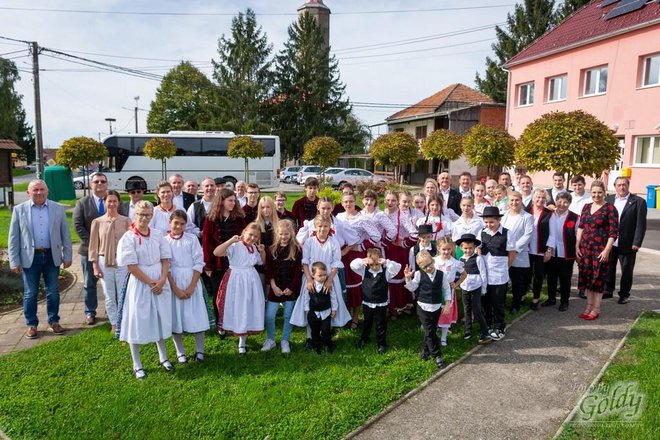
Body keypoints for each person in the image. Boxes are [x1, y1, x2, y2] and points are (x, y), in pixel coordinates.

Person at [116, 201, 173, 379]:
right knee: (137, 318)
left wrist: (162, 279)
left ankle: (163, 356)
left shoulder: (157, 235)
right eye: (141, 214)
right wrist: (150, 282)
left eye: (148, 215)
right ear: (135, 215)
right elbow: (131, 265)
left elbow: (165, 259)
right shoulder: (129, 237)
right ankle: (137, 363)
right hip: (141, 282)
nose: (144, 218)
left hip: (159, 278)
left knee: (160, 317)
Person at [9, 179, 72, 339]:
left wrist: (68, 255)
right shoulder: (19, 210)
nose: (39, 193)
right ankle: (31, 324)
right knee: (30, 293)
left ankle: (54, 321)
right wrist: (14, 260)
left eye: (42, 189)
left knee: (53, 291)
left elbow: (65, 233)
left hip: (52, 256)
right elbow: (13, 237)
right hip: (30, 258)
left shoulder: (57, 208)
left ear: (47, 191)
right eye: (35, 190)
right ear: (28, 193)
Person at [290, 215, 351, 348]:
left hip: (329, 278)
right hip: (311, 277)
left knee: (328, 305)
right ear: (315, 227)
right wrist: (309, 279)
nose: (322, 229)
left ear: (330, 227)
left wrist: (329, 280)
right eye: (320, 226)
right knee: (311, 306)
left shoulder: (333, 242)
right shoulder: (310, 242)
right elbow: (305, 262)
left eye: (325, 226)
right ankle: (310, 338)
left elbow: (336, 262)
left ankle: (326, 336)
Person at [213, 223, 266, 354]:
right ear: (244, 232)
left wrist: (262, 251)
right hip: (235, 279)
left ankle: (242, 342)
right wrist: (231, 240)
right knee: (233, 306)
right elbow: (217, 252)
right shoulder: (235, 246)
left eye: (256, 236)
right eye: (250, 235)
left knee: (247, 308)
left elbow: (262, 262)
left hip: (251, 280)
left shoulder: (254, 248)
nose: (252, 238)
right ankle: (227, 326)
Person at [166, 210, 211, 364]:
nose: (178, 226)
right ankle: (180, 352)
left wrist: (192, 286)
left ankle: (200, 350)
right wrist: (175, 288)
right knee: (176, 318)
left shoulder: (191, 239)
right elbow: (166, 267)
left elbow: (199, 262)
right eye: (176, 222)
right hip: (174, 282)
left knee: (196, 315)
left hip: (192, 278)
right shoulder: (164, 241)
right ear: (170, 222)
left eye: (182, 223)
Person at [202, 188, 246, 335]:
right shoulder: (211, 219)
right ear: (221, 201)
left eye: (234, 201)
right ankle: (220, 324)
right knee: (218, 295)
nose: (233, 203)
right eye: (230, 200)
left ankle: (234, 323)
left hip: (235, 264)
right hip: (218, 264)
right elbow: (206, 243)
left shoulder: (239, 218)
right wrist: (208, 265)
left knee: (235, 294)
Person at [336, 193, 381, 328]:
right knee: (345, 284)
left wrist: (361, 246)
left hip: (356, 254)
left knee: (356, 286)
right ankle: (345, 315)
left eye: (350, 201)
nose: (348, 204)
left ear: (355, 202)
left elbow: (376, 235)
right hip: (343, 254)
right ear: (342, 203)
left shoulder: (362, 219)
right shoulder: (339, 217)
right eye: (345, 202)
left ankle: (355, 317)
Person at [89, 190, 131, 333]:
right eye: (109, 201)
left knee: (122, 293)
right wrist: (95, 266)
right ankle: (114, 322)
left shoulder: (126, 221)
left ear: (119, 203)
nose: (112, 204)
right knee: (109, 294)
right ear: (104, 202)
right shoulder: (97, 222)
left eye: (115, 201)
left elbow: (130, 244)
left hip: (122, 261)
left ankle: (123, 320)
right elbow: (93, 245)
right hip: (104, 261)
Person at [577, 181, 619, 320]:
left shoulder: (610, 209)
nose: (596, 195)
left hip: (600, 250)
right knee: (587, 279)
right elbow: (581, 227)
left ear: (604, 192)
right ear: (590, 192)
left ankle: (596, 309)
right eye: (594, 192)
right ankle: (588, 306)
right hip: (586, 250)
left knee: (598, 279)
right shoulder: (586, 207)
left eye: (599, 192)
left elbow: (613, 233)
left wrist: (607, 250)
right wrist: (577, 245)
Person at [404, 250, 451, 369]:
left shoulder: (441, 275)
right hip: (422, 307)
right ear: (420, 267)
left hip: (436, 307)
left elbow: (446, 289)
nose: (428, 268)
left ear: (433, 261)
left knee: (431, 330)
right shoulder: (419, 275)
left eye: (429, 264)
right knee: (430, 331)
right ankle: (437, 355)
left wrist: (447, 304)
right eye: (424, 267)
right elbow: (412, 288)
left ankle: (425, 351)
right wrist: (408, 279)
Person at [350, 248, 402, 354]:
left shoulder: (386, 272)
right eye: (372, 265)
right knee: (367, 322)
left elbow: (398, 267)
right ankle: (364, 338)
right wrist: (363, 260)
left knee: (380, 323)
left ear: (380, 261)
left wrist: (386, 261)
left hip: (381, 303)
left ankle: (381, 343)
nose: (374, 267)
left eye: (376, 264)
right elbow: (352, 265)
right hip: (367, 302)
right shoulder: (364, 270)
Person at [73, 172, 108, 325]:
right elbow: (78, 225)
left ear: (107, 184)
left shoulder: (113, 201)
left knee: (111, 282)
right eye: (96, 182)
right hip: (88, 250)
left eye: (102, 181)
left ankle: (111, 309)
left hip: (109, 250)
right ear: (91, 184)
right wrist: (93, 243)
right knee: (89, 283)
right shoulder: (82, 203)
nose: (99, 184)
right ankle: (90, 312)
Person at [604, 177, 647, 304]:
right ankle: (608, 290)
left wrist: (637, 242)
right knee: (609, 268)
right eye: (619, 185)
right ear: (615, 186)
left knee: (626, 270)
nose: (621, 187)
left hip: (627, 243)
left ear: (628, 186)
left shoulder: (638, 202)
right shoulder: (609, 199)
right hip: (610, 242)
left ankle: (624, 294)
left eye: (624, 185)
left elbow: (641, 224)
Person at [263, 219, 302, 354]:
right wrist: (273, 286)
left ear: (291, 234)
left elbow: (297, 272)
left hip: (290, 288)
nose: (283, 237)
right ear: (276, 234)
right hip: (276, 288)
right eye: (281, 234)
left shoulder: (296, 250)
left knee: (287, 315)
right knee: (269, 315)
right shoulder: (271, 250)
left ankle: (285, 339)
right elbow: (269, 270)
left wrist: (291, 287)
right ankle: (271, 339)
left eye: (286, 234)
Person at [479, 206, 517, 341]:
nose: (489, 225)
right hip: (485, 275)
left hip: (499, 275)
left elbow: (512, 253)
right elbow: (478, 250)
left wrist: (506, 267)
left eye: (492, 222)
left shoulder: (507, 233)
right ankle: (488, 324)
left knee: (498, 302)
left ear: (499, 220)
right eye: (486, 222)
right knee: (486, 301)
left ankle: (500, 326)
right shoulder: (482, 232)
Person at [383, 190, 417, 318]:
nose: (390, 202)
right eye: (388, 200)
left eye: (393, 200)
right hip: (385, 249)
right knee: (387, 277)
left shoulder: (401, 216)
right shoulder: (381, 214)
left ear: (397, 202)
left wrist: (403, 243)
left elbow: (414, 234)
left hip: (399, 251)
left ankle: (400, 305)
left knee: (397, 277)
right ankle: (389, 305)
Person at [546, 192, 580, 311]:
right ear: (555, 201)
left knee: (565, 279)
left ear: (569, 204)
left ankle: (564, 301)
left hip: (567, 253)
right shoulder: (549, 215)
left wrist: (578, 251)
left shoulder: (575, 217)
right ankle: (551, 298)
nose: (562, 204)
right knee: (551, 277)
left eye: (565, 202)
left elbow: (578, 236)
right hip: (551, 252)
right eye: (560, 201)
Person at [501, 192, 534, 314]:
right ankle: (502, 302)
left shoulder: (527, 217)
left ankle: (516, 304)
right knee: (503, 280)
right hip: (504, 253)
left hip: (519, 253)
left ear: (521, 201)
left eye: (517, 200)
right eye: (511, 200)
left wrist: (513, 249)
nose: (514, 203)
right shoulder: (504, 216)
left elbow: (528, 235)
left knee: (517, 281)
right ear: (508, 202)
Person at [456, 234, 491, 344]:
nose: (468, 250)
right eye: (465, 248)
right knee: (466, 309)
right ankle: (468, 330)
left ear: (475, 247)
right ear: (461, 248)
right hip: (464, 287)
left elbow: (483, 273)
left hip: (476, 286)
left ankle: (485, 331)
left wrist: (483, 288)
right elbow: (459, 273)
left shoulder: (478, 258)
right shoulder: (460, 259)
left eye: (470, 248)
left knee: (476, 309)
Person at [528, 188, 555, 311]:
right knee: (525, 275)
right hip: (526, 250)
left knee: (538, 275)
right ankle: (522, 295)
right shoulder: (526, 211)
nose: (540, 200)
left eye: (543, 198)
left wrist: (549, 250)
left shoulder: (549, 214)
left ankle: (536, 298)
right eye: (538, 197)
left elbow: (553, 234)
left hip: (541, 250)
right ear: (533, 198)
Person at [435, 237, 464, 347]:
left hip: (448, 291)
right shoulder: (434, 261)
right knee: (436, 311)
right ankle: (435, 329)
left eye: (449, 249)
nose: (446, 252)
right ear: (438, 248)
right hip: (436, 290)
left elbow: (464, 274)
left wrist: (456, 284)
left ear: (452, 248)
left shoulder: (455, 262)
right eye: (444, 249)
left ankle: (443, 337)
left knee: (446, 313)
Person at [304, 262, 338, 354]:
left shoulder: (328, 285)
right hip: (313, 313)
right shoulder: (310, 285)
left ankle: (327, 345)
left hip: (326, 312)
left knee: (326, 331)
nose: (323, 277)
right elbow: (306, 298)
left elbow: (333, 297)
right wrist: (307, 310)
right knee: (314, 331)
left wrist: (334, 309)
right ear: (313, 275)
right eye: (320, 275)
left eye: (324, 275)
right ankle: (316, 346)